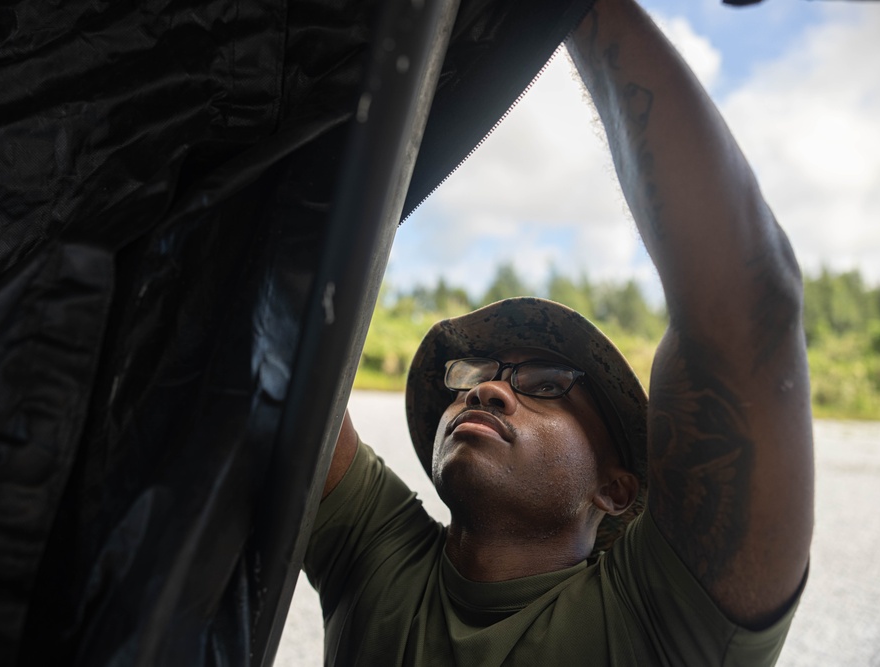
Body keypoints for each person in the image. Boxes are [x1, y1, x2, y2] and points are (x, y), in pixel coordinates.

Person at [303, 0, 813, 663]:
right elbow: (277, 339)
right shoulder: (373, 553)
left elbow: (750, 306)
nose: (485, 391)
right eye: (472, 376)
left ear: (617, 489)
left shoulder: (661, 623)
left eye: (544, 384)